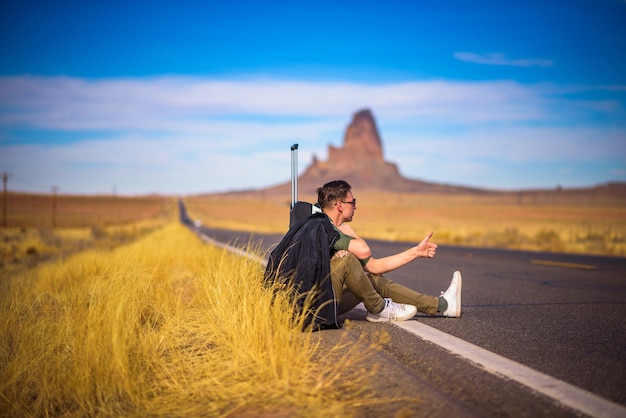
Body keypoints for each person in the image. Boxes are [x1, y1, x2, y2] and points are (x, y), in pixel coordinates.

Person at [317, 180, 462, 322]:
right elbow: (364, 251)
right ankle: (379, 309)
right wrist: (353, 234)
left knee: (374, 280)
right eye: (353, 202)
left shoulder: (322, 226)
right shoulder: (327, 229)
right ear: (340, 206)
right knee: (350, 261)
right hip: (319, 306)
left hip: (326, 298)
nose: (355, 207)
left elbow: (374, 266)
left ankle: (442, 306)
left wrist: (416, 252)